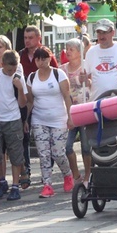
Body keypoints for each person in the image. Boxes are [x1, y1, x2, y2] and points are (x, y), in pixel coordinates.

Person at [26, 46, 74, 198]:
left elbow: (67, 96)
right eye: (38, 58)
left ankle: (68, 174)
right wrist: (25, 120)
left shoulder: (58, 74)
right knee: (44, 154)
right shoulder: (32, 77)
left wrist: (70, 116)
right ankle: (47, 184)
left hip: (58, 118)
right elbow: (30, 101)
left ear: (49, 58)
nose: (41, 61)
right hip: (39, 119)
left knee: (58, 153)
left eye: (44, 58)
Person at [0, 50, 28, 200]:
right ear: (2, 64)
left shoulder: (18, 78)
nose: (12, 72)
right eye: (9, 69)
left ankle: (15, 186)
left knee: (16, 154)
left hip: (13, 119)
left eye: (14, 69)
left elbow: (23, 104)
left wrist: (20, 88)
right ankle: (2, 181)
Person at [60, 39, 92, 187]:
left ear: (79, 51)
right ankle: (76, 174)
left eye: (71, 49)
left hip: (85, 111)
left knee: (86, 147)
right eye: (67, 49)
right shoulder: (62, 69)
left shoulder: (87, 66)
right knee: (67, 147)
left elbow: (93, 85)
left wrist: (88, 81)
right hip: (70, 112)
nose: (68, 52)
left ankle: (88, 175)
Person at [85, 18, 117, 101]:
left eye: (105, 32)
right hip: (97, 101)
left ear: (113, 33)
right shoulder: (91, 52)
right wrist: (83, 80)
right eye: (99, 32)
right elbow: (87, 78)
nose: (101, 36)